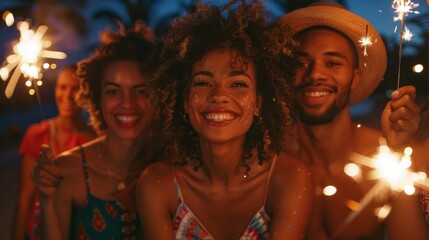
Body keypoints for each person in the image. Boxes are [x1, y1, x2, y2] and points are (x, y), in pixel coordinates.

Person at [135, 1, 314, 239]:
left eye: (238, 84)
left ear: (258, 103)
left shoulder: (289, 179)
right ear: (186, 101)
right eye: (203, 82)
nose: (219, 96)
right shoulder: (157, 184)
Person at [277, 2, 428, 239]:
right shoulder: (269, 157)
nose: (315, 74)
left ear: (355, 77)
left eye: (333, 63)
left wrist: (397, 149)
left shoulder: (382, 157)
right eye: (301, 63)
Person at [31, 21, 159, 240]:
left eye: (140, 91)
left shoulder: (170, 167)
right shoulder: (66, 171)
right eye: (113, 92)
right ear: (96, 98)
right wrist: (47, 199)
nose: (127, 103)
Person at [12, 64, 96, 240]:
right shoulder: (37, 134)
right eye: (62, 87)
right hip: (35, 231)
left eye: (75, 88)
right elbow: (24, 199)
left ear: (85, 93)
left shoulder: (94, 140)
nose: (67, 95)